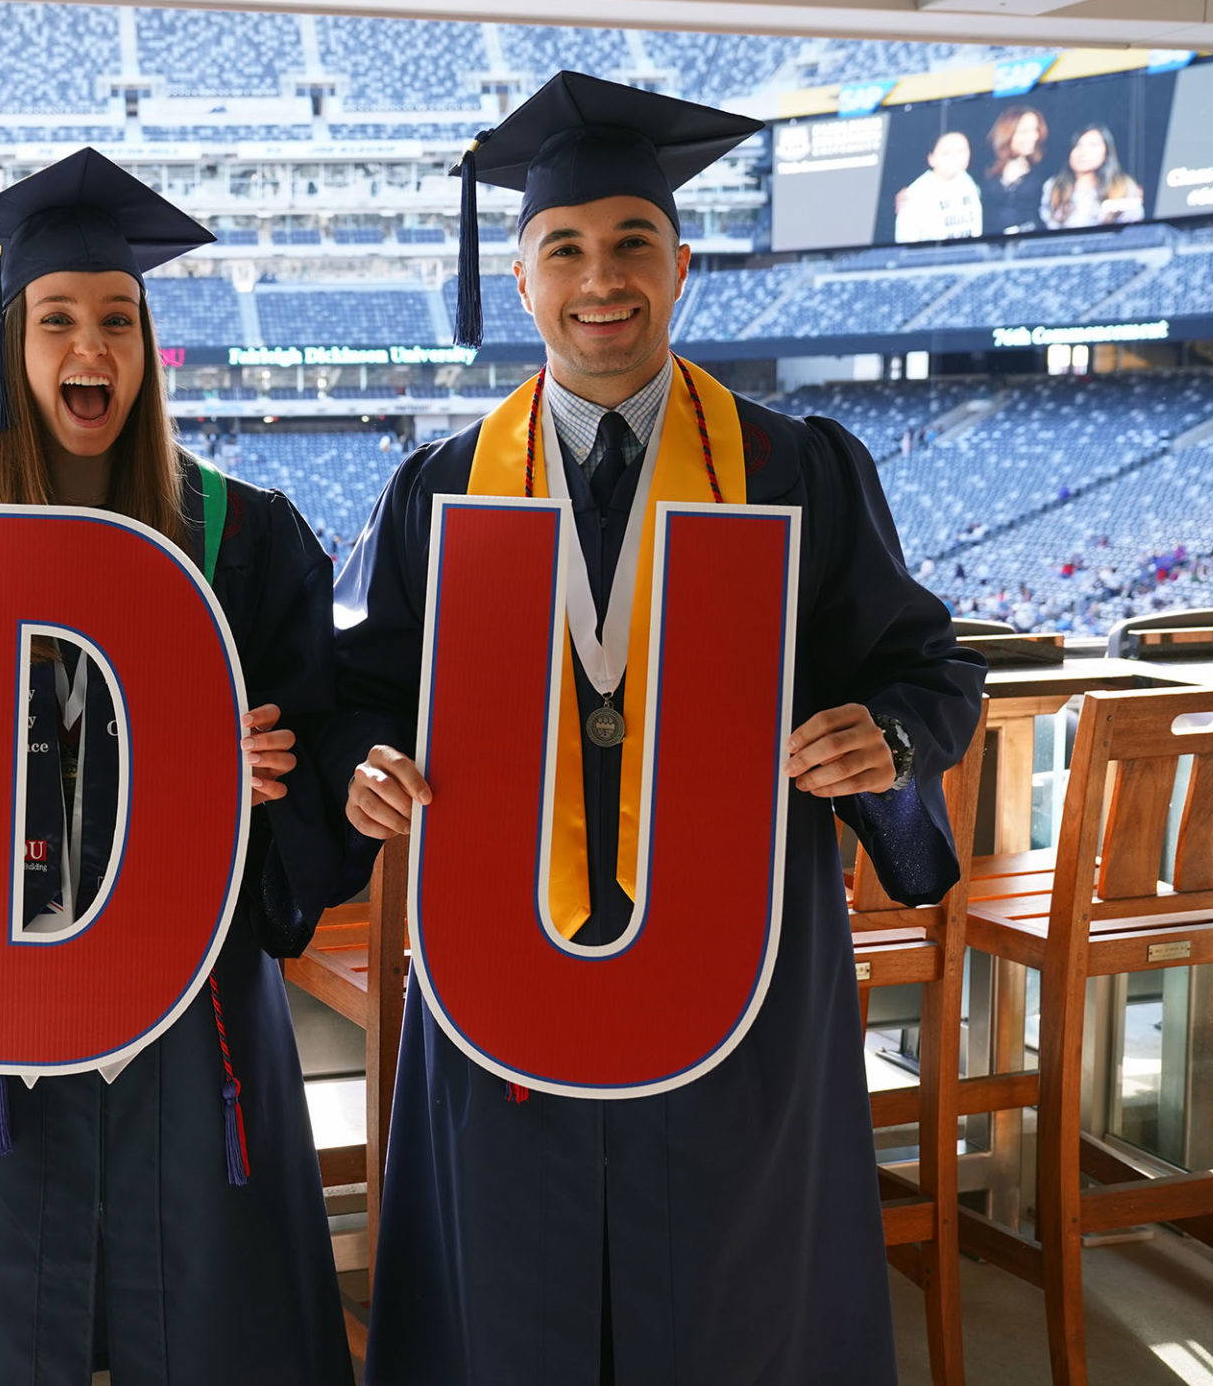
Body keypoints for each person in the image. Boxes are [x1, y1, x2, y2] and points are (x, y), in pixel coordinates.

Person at [329, 72, 986, 1385]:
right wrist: (365, 764)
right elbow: (368, 692)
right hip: (512, 972)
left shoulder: (797, 465)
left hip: (732, 972)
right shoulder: (444, 486)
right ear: (520, 278)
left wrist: (891, 740)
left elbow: (930, 665)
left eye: (633, 242)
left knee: (737, 1312)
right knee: (515, 1302)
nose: (601, 280)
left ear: (683, 264)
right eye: (564, 248)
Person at [0, 148, 355, 1386]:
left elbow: (319, 764)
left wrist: (274, 777)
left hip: (194, 1029)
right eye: (57, 318)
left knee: (216, 1331)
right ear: (10, 348)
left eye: (119, 319)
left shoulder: (246, 535)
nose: (93, 347)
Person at [1043, 124, 1144, 229]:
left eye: (1093, 145)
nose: (1083, 152)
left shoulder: (1124, 187)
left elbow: (1134, 226)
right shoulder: (1054, 187)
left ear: (1107, 152)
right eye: (1078, 145)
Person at [893, 130, 982, 243]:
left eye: (961, 151)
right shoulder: (916, 193)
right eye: (946, 153)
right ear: (931, 158)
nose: (955, 157)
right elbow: (905, 241)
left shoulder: (969, 181)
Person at [981, 105, 1048, 234]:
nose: (1034, 136)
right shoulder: (987, 171)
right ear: (1008, 133)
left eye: (1036, 130)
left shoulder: (1043, 170)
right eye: (1025, 131)